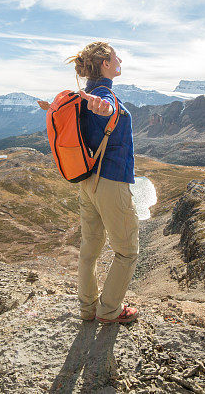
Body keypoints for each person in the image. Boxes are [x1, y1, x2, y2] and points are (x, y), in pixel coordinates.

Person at [65, 41, 139, 324]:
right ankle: (109, 310)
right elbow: (106, 108)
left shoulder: (85, 96)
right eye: (114, 56)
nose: (119, 59)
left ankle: (87, 309)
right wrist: (105, 110)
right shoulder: (103, 96)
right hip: (111, 183)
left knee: (90, 249)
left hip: (88, 183)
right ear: (105, 64)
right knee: (127, 251)